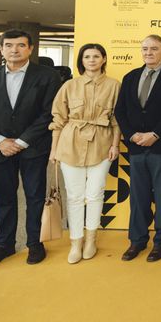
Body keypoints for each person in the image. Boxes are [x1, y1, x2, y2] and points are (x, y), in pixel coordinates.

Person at [0, 29, 61, 269]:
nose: (14, 50)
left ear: (30, 49)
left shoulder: (48, 76)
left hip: (33, 148)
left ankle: (35, 243)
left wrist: (21, 141)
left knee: (34, 197)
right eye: (9, 45)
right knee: (3, 198)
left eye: (21, 45)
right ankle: (4, 245)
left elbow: (49, 113)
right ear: (1, 49)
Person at [49, 43, 121, 264]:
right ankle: (76, 241)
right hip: (70, 143)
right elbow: (58, 120)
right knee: (74, 195)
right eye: (87, 56)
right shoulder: (69, 86)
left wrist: (115, 145)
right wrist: (54, 150)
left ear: (104, 59)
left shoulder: (114, 86)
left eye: (96, 56)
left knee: (95, 193)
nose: (91, 60)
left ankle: (91, 239)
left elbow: (118, 120)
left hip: (102, 142)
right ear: (81, 61)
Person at [115, 34, 161, 262]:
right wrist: (132, 134)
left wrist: (155, 134)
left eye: (154, 48)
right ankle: (137, 241)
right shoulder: (131, 76)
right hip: (136, 147)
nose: (148, 52)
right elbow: (121, 111)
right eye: (145, 48)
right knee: (138, 197)